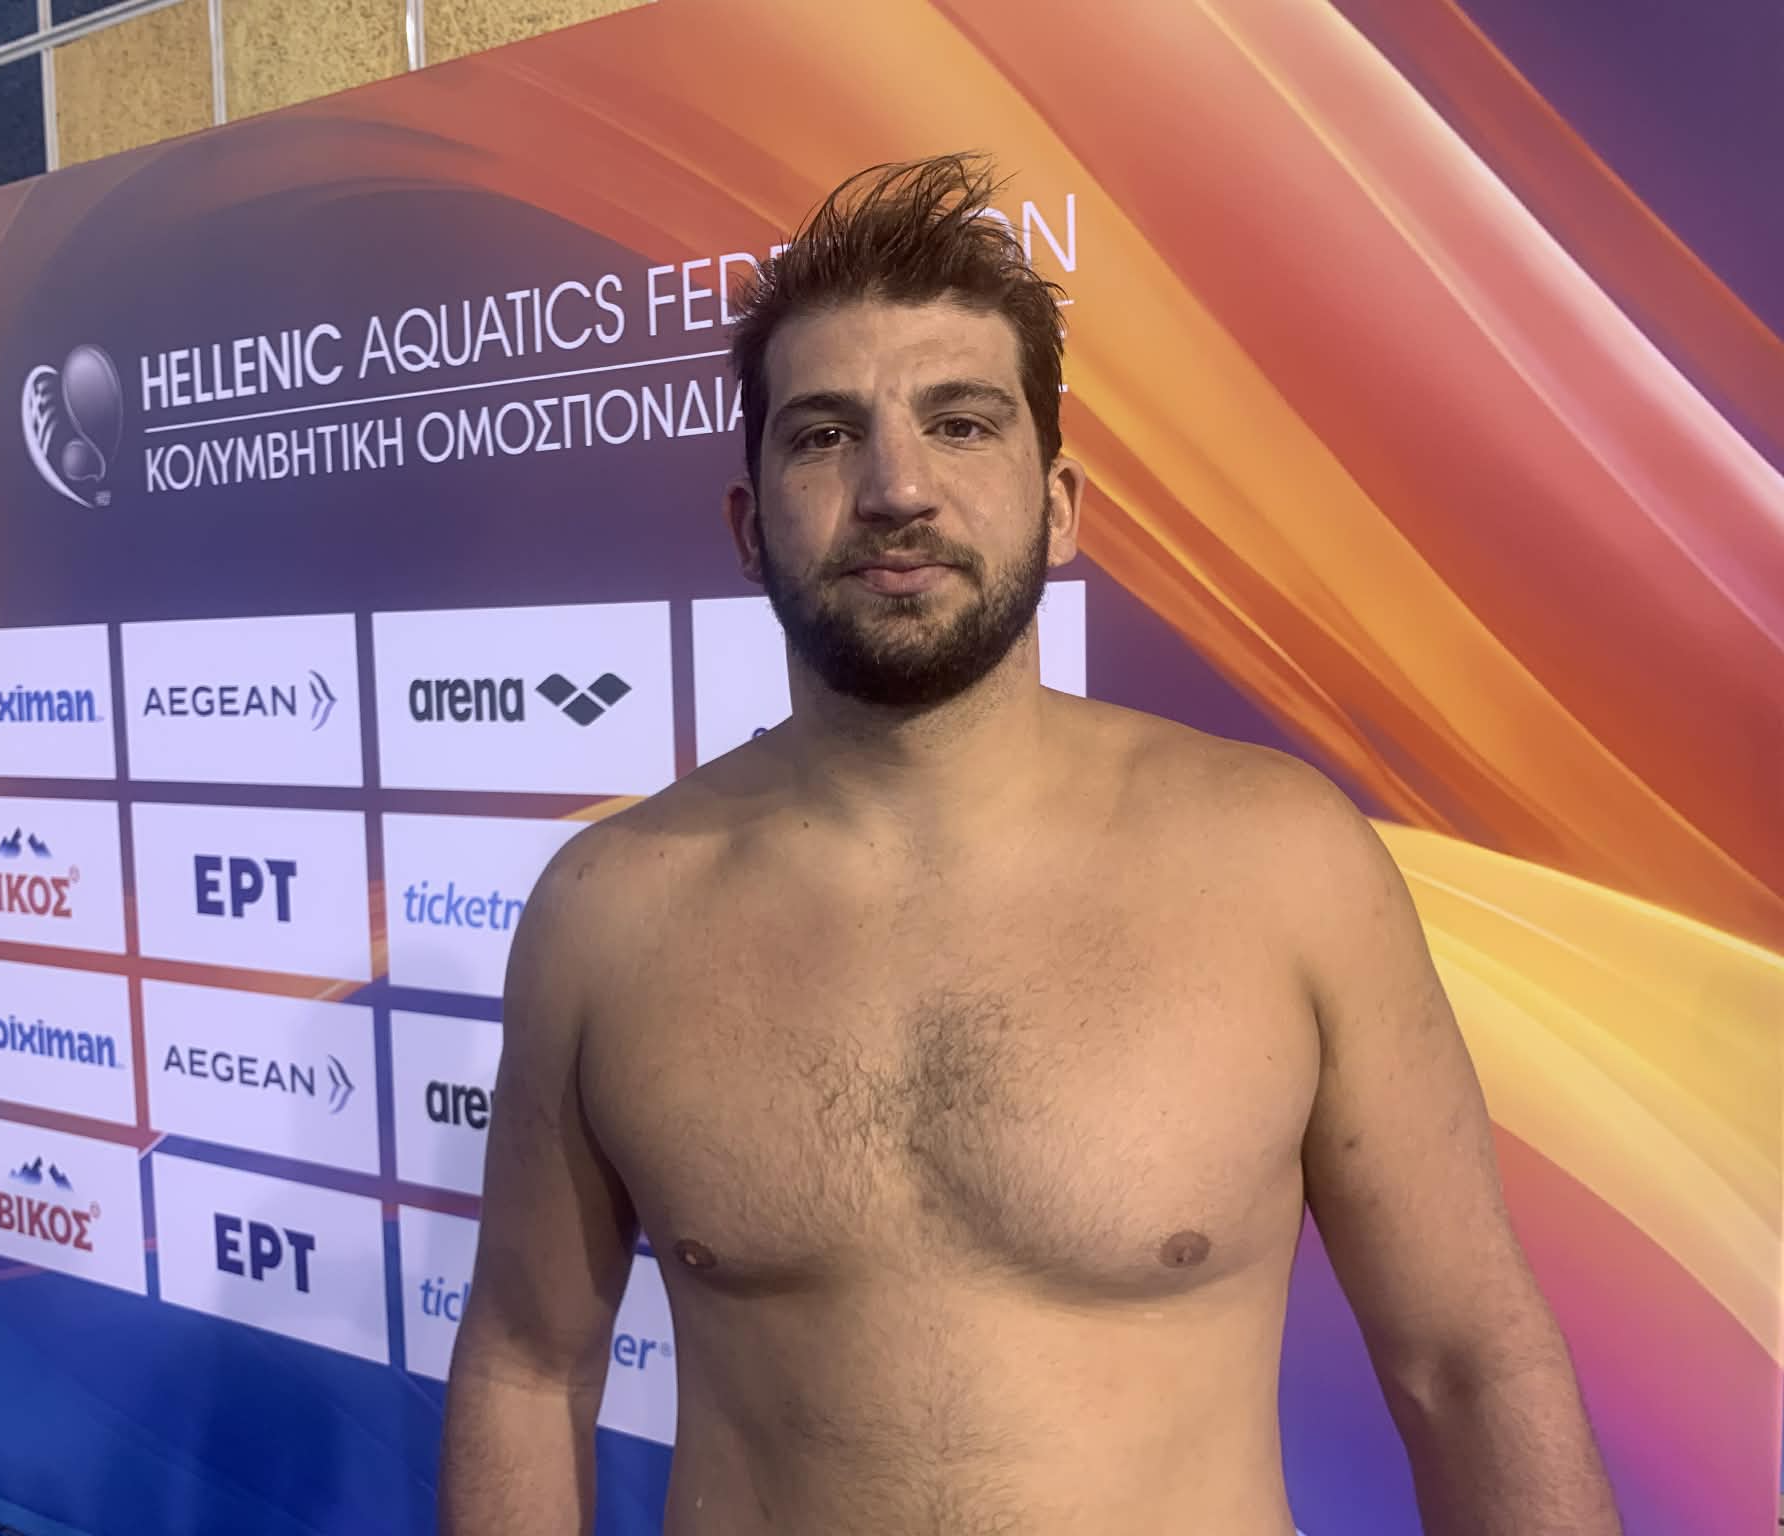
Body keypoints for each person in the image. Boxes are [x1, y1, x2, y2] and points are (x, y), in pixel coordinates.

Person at [438, 154, 1621, 1535]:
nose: (897, 488)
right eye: (823, 435)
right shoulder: (609, 912)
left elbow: (1469, 1366)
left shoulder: (1286, 867)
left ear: (1060, 507)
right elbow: (526, 1366)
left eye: (961, 422)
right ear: (749, 529)